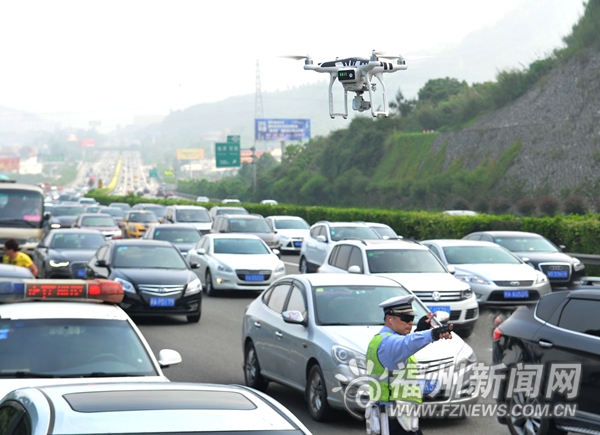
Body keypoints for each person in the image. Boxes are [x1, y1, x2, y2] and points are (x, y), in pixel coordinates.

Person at [365, 295, 453, 435]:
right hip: (393, 420)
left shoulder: (383, 340)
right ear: (389, 319)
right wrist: (433, 333)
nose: (410, 322)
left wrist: (419, 331)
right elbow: (406, 343)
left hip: (398, 416)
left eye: (412, 318)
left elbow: (403, 348)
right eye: (405, 319)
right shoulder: (388, 342)